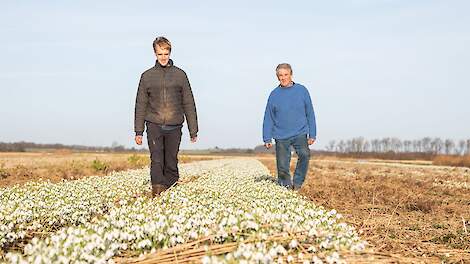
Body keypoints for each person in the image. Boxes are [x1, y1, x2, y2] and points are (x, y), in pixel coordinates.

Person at [134, 36, 198, 198]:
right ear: (155, 54)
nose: (163, 57)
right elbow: (140, 104)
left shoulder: (180, 75)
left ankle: (171, 194)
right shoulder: (146, 76)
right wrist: (139, 131)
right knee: (156, 160)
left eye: (165, 53)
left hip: (174, 125)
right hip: (154, 124)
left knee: (171, 161)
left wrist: (193, 129)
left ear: (170, 53)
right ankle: (157, 194)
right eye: (159, 53)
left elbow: (188, 102)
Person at [262, 63, 316, 190]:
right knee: (282, 166)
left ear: (291, 74)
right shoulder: (274, 95)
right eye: (280, 75)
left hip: (300, 132)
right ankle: (285, 188)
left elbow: (310, 113)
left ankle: (297, 183)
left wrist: (312, 133)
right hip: (281, 134)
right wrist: (267, 137)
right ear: (277, 77)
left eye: (286, 75)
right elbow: (268, 117)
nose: (283, 78)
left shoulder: (302, 90)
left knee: (304, 154)